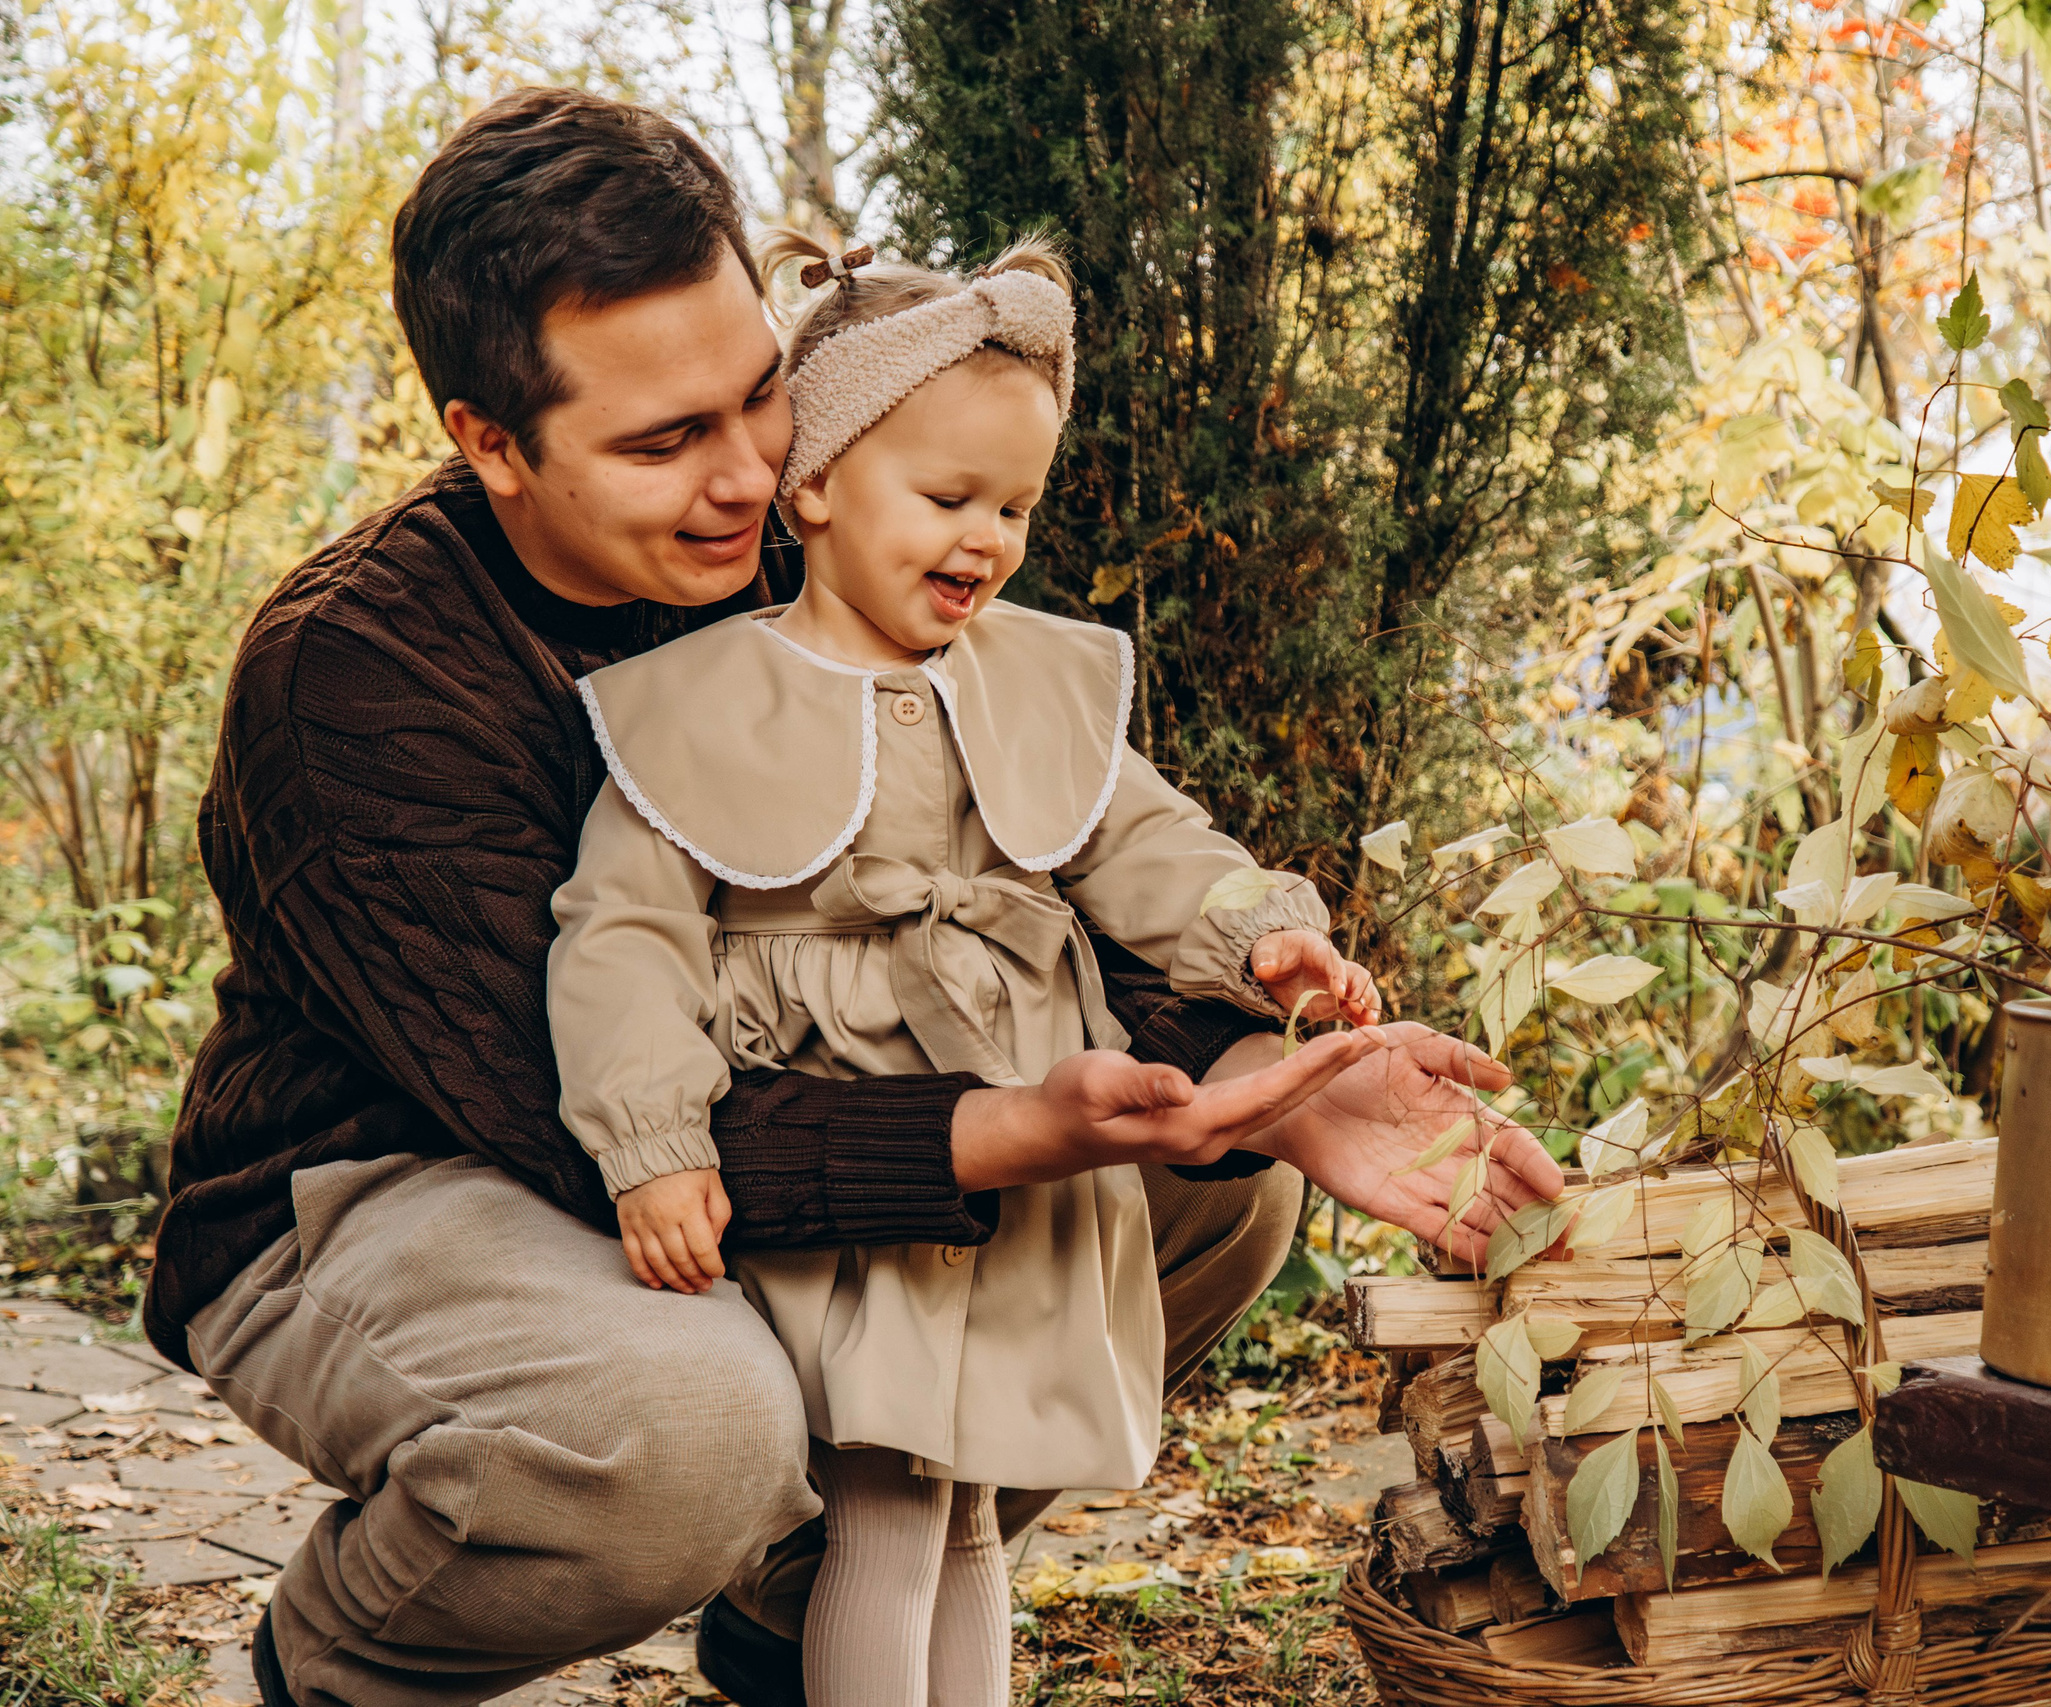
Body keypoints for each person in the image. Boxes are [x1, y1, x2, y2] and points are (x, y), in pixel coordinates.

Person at [147, 84, 1563, 1707]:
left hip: (790, 1098)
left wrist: (1256, 1069)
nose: (751, 474)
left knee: (1220, 1185)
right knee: (690, 1425)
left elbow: (1038, 860)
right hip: (403, 1162)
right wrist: (1013, 1131)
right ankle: (332, 1663)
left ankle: (806, 1620)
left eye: (759, 396)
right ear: (490, 443)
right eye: (665, 441)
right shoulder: (359, 674)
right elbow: (567, 1110)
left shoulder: (830, 518)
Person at [547, 228, 1388, 1707]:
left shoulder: (1028, 679)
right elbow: (622, 942)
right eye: (946, 497)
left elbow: (1139, 838)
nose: (986, 540)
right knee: (886, 1502)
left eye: (1013, 507)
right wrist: (655, 1140)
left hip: (1021, 1155)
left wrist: (1256, 927)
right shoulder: (702, 708)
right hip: (862, 1165)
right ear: (810, 485)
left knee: (971, 1505)